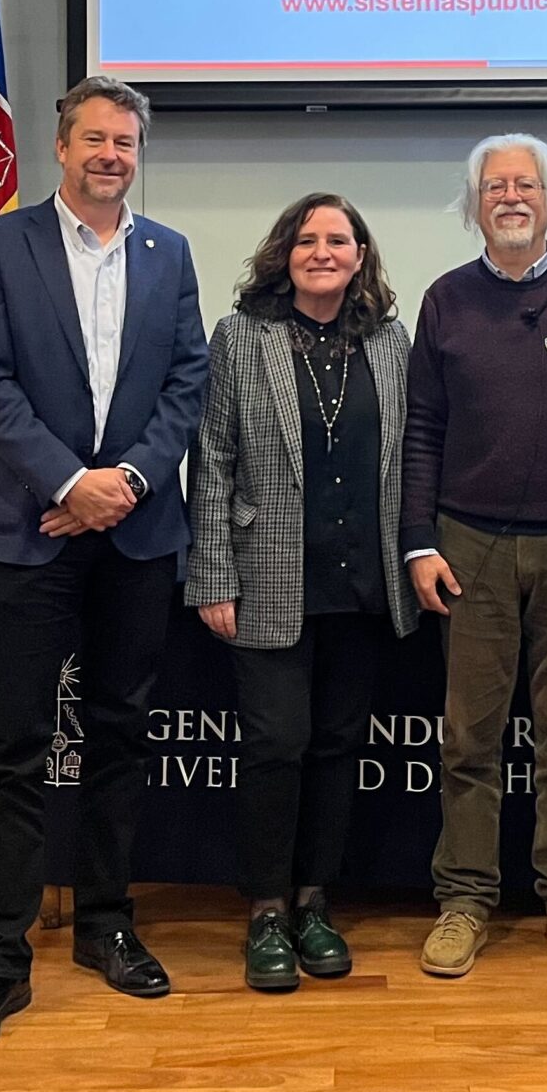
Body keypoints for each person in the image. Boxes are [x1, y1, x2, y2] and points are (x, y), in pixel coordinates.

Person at [0, 76, 210, 1059]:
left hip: (134, 531)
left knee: (120, 737)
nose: (110, 155)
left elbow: (186, 382)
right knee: (13, 748)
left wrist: (123, 482)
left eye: (125, 142)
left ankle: (105, 924)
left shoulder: (169, 252)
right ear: (60, 147)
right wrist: (69, 481)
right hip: (27, 530)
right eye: (95, 138)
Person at [402, 134, 547, 980]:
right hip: (470, 546)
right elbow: (422, 430)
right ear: (475, 205)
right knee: (470, 737)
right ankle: (465, 900)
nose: (510, 197)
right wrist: (419, 541)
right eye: (494, 185)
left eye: (524, 184)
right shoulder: (445, 300)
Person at [188, 192, 418, 992]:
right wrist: (212, 574)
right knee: (276, 745)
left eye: (339, 240)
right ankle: (265, 911)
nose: (323, 252)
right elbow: (212, 459)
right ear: (284, 253)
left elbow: (407, 454)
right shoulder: (241, 336)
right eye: (308, 239)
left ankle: (316, 903)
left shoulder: (389, 340)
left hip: (362, 582)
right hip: (267, 577)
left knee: (337, 747)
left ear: (360, 256)